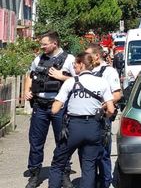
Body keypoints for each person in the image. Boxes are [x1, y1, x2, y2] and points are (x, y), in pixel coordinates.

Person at [48, 52, 115, 188]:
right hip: (93, 127)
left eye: (75, 65)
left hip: (73, 127)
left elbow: (55, 109)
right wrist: (102, 115)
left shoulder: (71, 82)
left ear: (81, 64)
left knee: (58, 163)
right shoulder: (102, 82)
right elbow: (111, 110)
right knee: (89, 166)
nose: (74, 67)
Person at [24, 31, 76, 188]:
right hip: (40, 105)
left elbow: (79, 79)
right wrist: (26, 90)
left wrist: (62, 77)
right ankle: (34, 174)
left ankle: (64, 173)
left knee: (63, 140)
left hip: (59, 105)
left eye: (45, 44)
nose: (42, 46)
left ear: (54, 43)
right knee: (36, 141)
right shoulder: (39, 58)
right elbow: (30, 75)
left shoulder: (69, 59)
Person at [86, 43, 122, 188]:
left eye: (88, 55)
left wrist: (104, 104)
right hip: (86, 118)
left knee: (103, 154)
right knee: (88, 154)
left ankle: (105, 182)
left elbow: (117, 94)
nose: (85, 58)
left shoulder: (109, 71)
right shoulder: (86, 71)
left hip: (102, 117)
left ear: (96, 56)